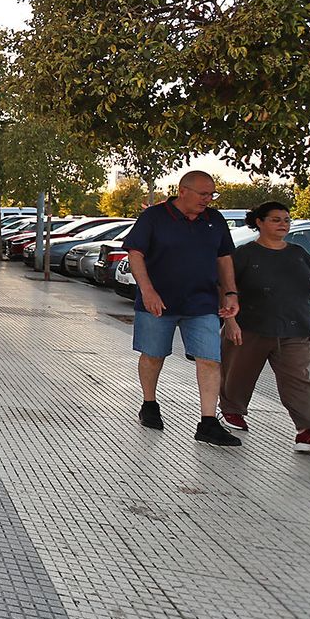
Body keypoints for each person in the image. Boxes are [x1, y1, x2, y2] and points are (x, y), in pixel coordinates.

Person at [123, 170, 242, 446]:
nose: (208, 199)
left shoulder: (214, 220)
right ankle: (149, 403)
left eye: (212, 194)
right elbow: (135, 253)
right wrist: (147, 290)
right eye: (203, 194)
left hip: (201, 303)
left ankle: (208, 422)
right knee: (153, 356)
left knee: (210, 359)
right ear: (183, 191)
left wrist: (231, 293)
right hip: (158, 302)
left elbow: (224, 259)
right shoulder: (154, 217)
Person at [219, 201, 310, 453]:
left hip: (295, 331)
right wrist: (229, 322)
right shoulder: (244, 254)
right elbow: (224, 288)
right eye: (275, 219)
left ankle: (308, 433)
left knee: (299, 381)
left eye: (286, 220)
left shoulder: (299, 254)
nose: (283, 224)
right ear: (259, 223)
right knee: (237, 376)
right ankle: (231, 411)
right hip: (250, 328)